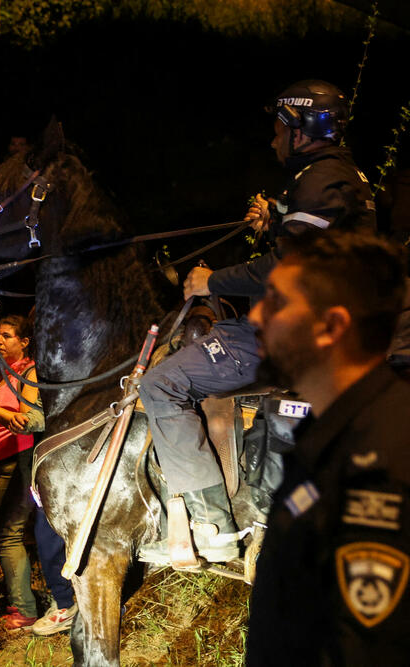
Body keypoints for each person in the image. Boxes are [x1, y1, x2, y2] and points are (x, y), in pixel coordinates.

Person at [138, 79, 377, 563]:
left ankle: (213, 525)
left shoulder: (319, 180)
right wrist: (273, 220)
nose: (272, 140)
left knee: (160, 383)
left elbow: (291, 270)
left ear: (301, 131)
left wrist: (212, 281)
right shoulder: (339, 176)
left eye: (278, 129)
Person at [245, 230, 410, 663]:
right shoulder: (334, 430)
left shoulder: (382, 466)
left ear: (331, 326)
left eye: (277, 302)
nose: (254, 316)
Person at [0, 315, 44, 630]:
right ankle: (19, 605)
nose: (1, 341)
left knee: (4, 533)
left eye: (6, 336)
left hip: (15, 460)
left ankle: (23, 608)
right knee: (0, 533)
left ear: (24, 341)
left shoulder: (29, 373)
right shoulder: (3, 371)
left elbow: (28, 418)